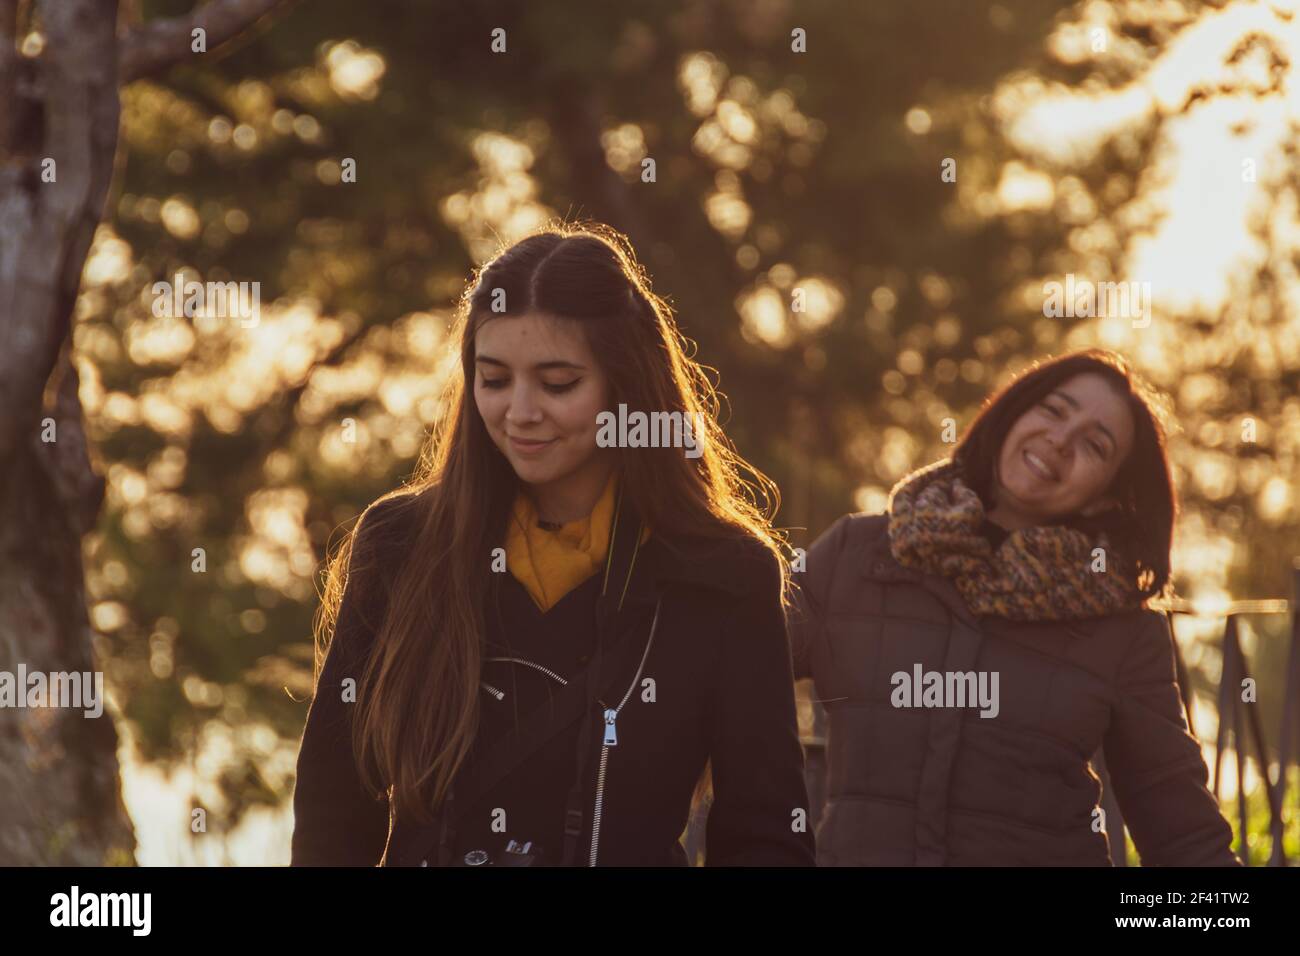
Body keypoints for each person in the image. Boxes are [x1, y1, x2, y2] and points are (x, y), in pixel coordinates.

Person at [291, 222, 814, 867]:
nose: (520, 411)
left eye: (558, 383)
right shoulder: (399, 545)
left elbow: (766, 837)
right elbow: (334, 812)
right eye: (494, 379)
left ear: (626, 386)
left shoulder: (725, 574)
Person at [791, 348, 1239, 866]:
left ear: (1106, 498)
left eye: (1095, 445)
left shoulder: (1123, 628)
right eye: (1053, 410)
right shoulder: (858, 553)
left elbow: (1183, 835)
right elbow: (726, 682)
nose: (1061, 439)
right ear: (1012, 415)